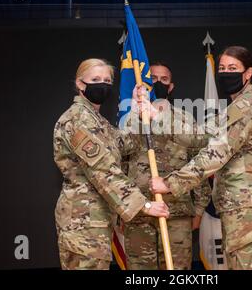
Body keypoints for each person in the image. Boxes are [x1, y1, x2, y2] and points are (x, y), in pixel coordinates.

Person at [149, 46, 252, 270]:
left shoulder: (247, 105)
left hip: (249, 206)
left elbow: (215, 154)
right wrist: (157, 116)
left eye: (233, 68)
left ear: (248, 73)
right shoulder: (234, 107)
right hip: (242, 205)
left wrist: (169, 183)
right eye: (222, 68)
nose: (225, 73)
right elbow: (201, 137)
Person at [53, 58, 169, 270]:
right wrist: (145, 205)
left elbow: (126, 144)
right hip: (83, 223)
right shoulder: (78, 119)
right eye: (95, 79)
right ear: (80, 83)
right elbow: (103, 171)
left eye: (107, 80)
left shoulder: (97, 120)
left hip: (96, 220)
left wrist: (135, 111)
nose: (103, 84)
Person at [123, 62, 212, 270]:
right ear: (145, 84)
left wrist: (199, 210)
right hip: (140, 213)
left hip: (177, 213)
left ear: (171, 87)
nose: (158, 83)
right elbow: (120, 164)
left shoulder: (184, 120)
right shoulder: (131, 119)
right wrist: (123, 208)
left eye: (164, 80)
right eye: (153, 78)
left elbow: (198, 163)